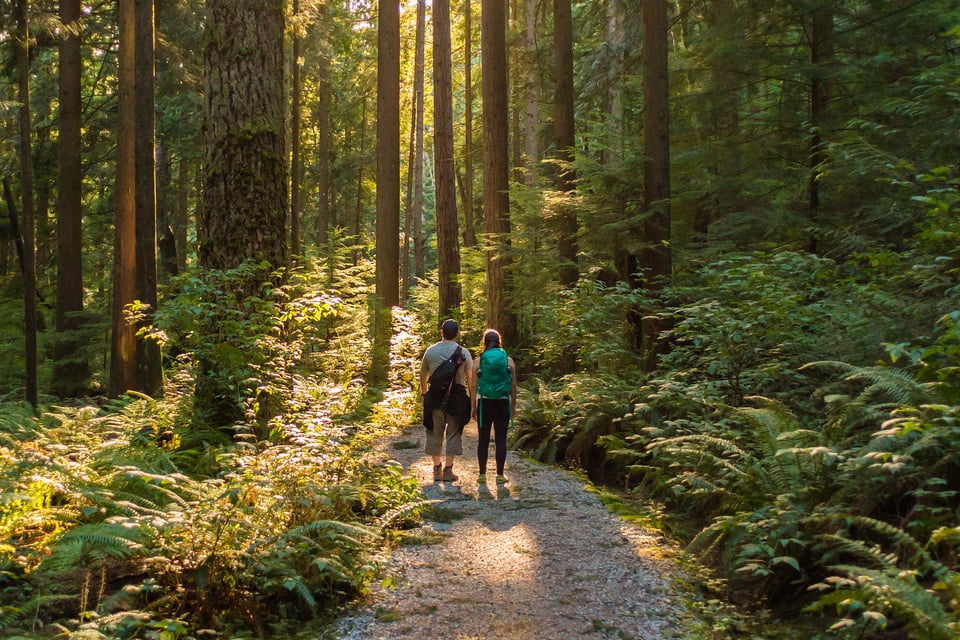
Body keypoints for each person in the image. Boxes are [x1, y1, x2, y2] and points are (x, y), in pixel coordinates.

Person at [420, 319, 474, 482]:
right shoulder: (464, 353)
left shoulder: (430, 351)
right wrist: (472, 402)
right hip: (457, 398)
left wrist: (424, 395)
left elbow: (423, 375)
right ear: (458, 333)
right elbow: (470, 380)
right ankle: (449, 470)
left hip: (434, 397)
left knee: (434, 432)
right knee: (453, 433)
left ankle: (437, 469)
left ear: (442, 332)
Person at [471, 328, 517, 483]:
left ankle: (482, 474)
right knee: (501, 439)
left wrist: (473, 407)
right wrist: (513, 406)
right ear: (499, 342)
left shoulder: (478, 361)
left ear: (484, 343)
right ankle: (500, 475)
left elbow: (473, 386)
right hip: (503, 402)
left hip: (484, 403)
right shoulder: (508, 361)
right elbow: (513, 386)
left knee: (483, 439)